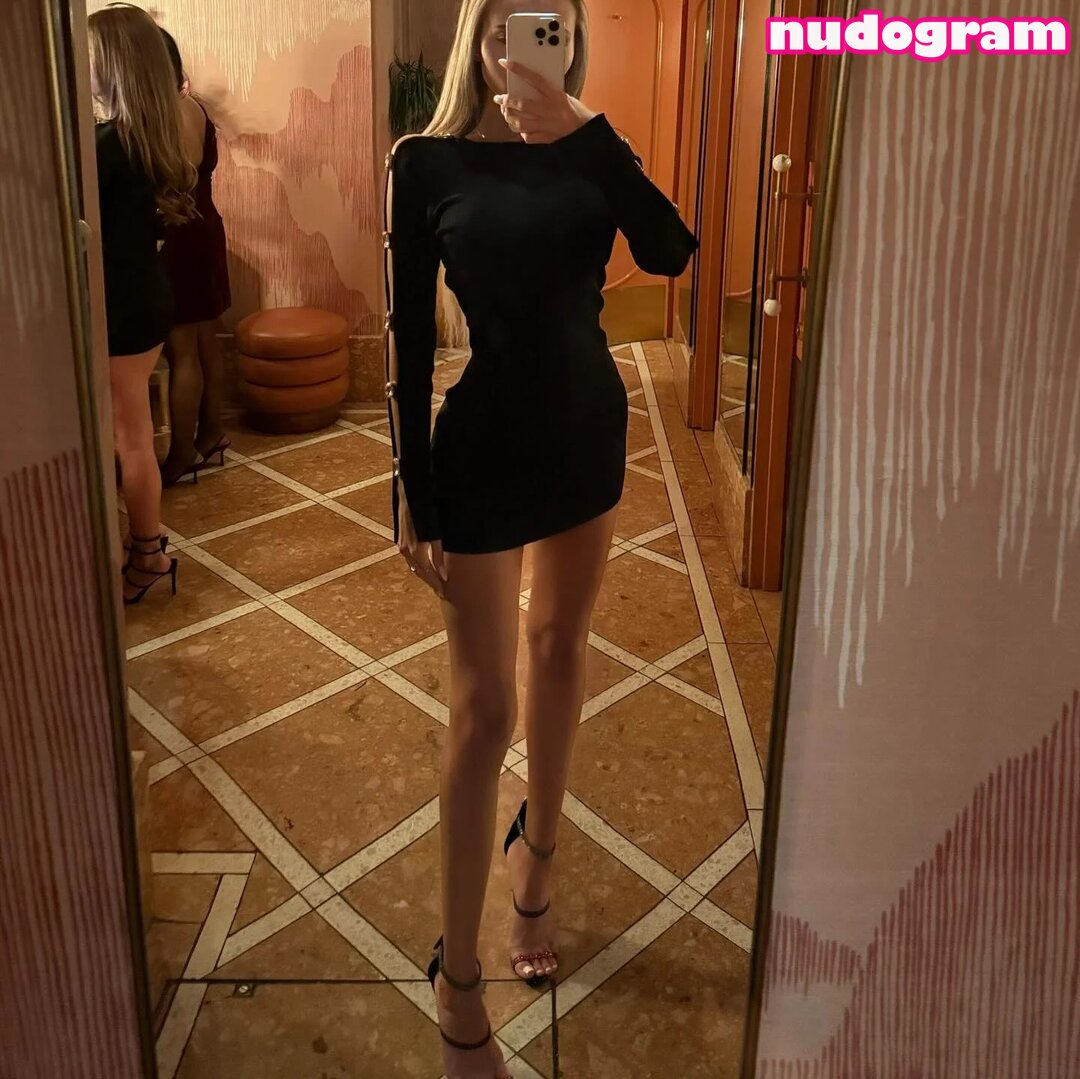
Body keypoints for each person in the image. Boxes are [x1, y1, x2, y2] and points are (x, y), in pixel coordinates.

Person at [383, 1, 697, 1074]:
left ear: (569, 41)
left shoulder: (594, 147)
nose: (524, 46)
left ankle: (539, 865)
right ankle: (456, 972)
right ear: (479, 38)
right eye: (508, 25)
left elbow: (672, 254)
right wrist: (411, 491)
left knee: (561, 650)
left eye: (550, 24)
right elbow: (405, 338)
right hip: (481, 446)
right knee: (483, 709)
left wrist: (590, 135)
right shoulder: (425, 163)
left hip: (586, 433)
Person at [90, 3, 195, 604]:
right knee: (132, 432)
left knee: (130, 436)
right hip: (145, 297)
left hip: (123, 304)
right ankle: (148, 549)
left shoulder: (105, 145)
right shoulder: (147, 138)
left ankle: (149, 554)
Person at [157, 29, 232, 487]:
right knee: (206, 340)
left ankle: (183, 453)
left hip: (180, 236)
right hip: (204, 229)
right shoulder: (194, 108)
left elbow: (177, 184)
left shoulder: (168, 113)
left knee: (182, 347)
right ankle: (212, 433)